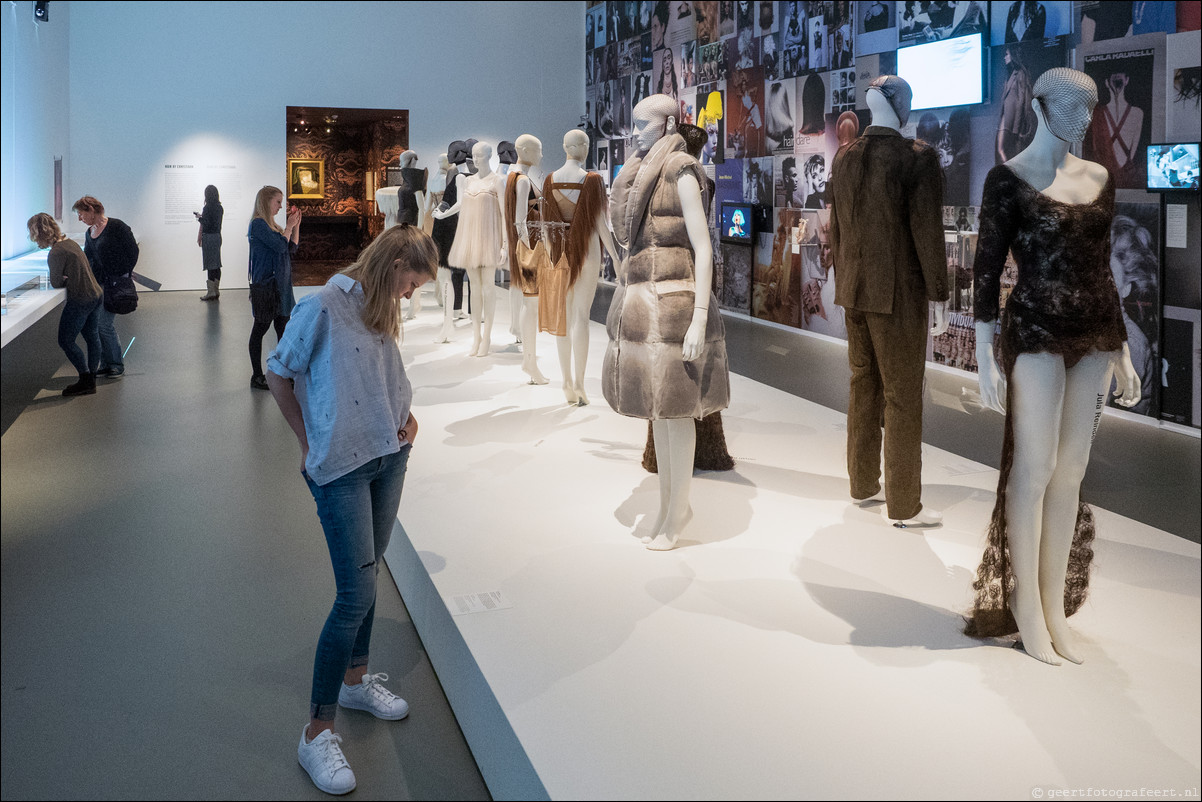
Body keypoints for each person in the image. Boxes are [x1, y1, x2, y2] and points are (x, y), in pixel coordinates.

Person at [967, 68, 1140, 666]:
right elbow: (985, 274)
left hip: (1093, 332)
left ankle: (1051, 605)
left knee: (1070, 472)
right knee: (1034, 468)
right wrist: (986, 358)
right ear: (1040, 107)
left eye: (1089, 109)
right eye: (1073, 107)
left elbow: (1101, 268)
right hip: (1036, 332)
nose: (1084, 121)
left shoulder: (1098, 178)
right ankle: (1026, 610)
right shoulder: (1007, 181)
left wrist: (1119, 346)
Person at [265, 224, 439, 796]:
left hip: (390, 456)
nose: (411, 295)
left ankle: (356, 680)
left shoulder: (383, 309)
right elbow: (278, 373)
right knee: (355, 596)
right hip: (339, 467)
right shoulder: (323, 307)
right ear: (392, 266)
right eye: (411, 283)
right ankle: (316, 731)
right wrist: (307, 442)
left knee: (370, 570)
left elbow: (386, 376)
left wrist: (407, 423)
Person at [603, 94, 730, 551]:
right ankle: (666, 507)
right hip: (643, 306)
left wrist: (698, 319)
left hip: (676, 307)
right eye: (633, 123)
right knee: (659, 414)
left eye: (644, 124)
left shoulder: (680, 170)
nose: (635, 132)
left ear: (669, 123)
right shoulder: (635, 176)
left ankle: (677, 513)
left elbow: (704, 247)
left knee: (677, 414)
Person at [828, 76, 950, 528]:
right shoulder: (916, 158)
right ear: (902, 106)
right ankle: (904, 505)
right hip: (897, 294)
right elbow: (927, 234)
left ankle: (862, 484)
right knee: (901, 396)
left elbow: (837, 230)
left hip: (854, 293)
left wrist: (845, 284)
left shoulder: (844, 157)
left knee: (863, 385)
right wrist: (938, 293)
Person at [541, 129, 618, 405]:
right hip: (586, 252)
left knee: (564, 317)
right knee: (580, 318)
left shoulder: (550, 180)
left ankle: (566, 382)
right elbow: (600, 223)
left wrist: (549, 256)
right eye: (583, 143)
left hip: (558, 252)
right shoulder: (592, 180)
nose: (585, 146)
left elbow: (546, 224)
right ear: (578, 147)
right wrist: (616, 260)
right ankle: (580, 384)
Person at [433, 141, 507, 358]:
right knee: (473, 286)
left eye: (480, 156)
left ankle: (487, 336)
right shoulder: (466, 180)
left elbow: (504, 213)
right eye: (473, 155)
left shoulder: (497, 181)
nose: (476, 160)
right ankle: (476, 337)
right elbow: (460, 205)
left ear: (489, 156)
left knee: (487, 288)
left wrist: (504, 244)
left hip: (490, 237)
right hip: (470, 237)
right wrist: (443, 214)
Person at [28, 213, 103, 396]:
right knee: (92, 336)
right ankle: (91, 378)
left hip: (81, 298)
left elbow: (55, 282)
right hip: (96, 294)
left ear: (38, 233)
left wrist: (62, 278)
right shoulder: (70, 243)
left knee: (66, 340)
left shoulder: (56, 252)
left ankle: (85, 380)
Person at [74, 195, 138, 378]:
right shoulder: (89, 232)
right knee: (97, 324)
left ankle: (116, 364)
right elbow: (88, 258)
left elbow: (133, 251)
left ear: (91, 210)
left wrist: (124, 272)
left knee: (104, 324)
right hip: (97, 285)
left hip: (114, 284)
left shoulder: (117, 227)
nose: (80, 218)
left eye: (81, 213)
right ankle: (106, 363)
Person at [247, 185, 300, 391]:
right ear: (266, 201)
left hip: (281, 287)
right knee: (260, 328)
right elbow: (280, 246)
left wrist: (296, 226)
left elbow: (290, 248)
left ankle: (282, 374)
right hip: (266, 287)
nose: (280, 206)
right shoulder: (258, 225)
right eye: (277, 201)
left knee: (283, 331)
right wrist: (288, 227)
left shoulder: (273, 227)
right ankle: (257, 376)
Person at [997, 44, 1037, 164]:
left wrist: (1017, 127)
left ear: (1013, 55)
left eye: (1007, 54)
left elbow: (1021, 101)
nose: (1005, 57)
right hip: (1006, 116)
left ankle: (1011, 171)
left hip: (1013, 120)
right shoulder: (1010, 74)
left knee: (1004, 148)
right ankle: (1008, 170)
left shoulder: (1020, 74)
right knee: (1001, 148)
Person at [196, 185, 223, 301]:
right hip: (217, 236)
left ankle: (211, 292)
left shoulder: (207, 208)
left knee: (210, 265)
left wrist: (199, 218)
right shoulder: (219, 207)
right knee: (216, 264)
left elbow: (207, 223)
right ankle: (216, 290)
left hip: (209, 237)